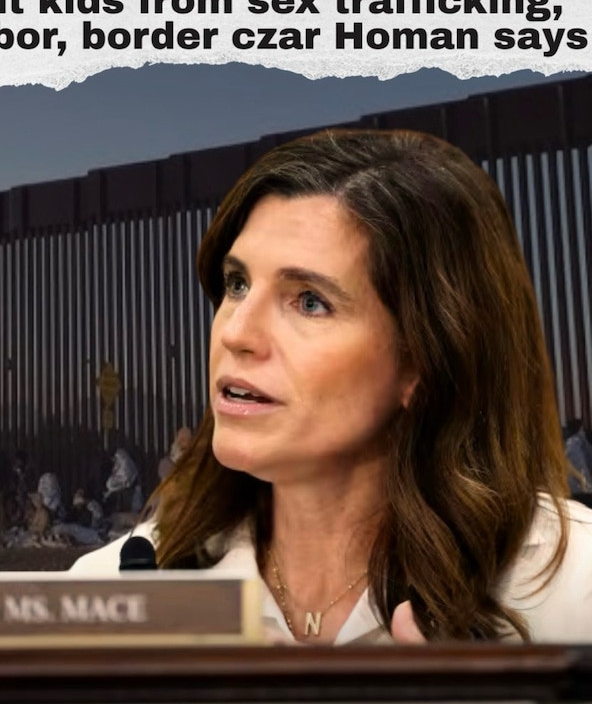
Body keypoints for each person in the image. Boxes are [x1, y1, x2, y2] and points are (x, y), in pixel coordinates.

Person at [71, 128, 592, 645]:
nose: (235, 333)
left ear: (424, 361)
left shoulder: (574, 590)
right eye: (237, 284)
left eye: (309, 301)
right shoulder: (106, 594)